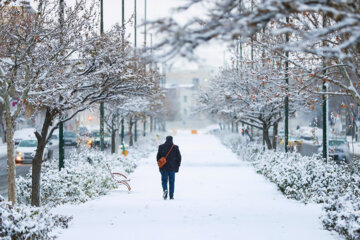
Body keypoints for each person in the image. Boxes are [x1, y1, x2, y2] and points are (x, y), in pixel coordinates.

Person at [156, 136, 181, 200]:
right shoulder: (175, 147)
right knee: (172, 182)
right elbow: (179, 158)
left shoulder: (161, 147)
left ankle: (165, 189)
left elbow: (158, 157)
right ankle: (171, 196)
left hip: (163, 167)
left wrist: (160, 164)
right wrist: (177, 166)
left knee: (164, 180)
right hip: (172, 168)